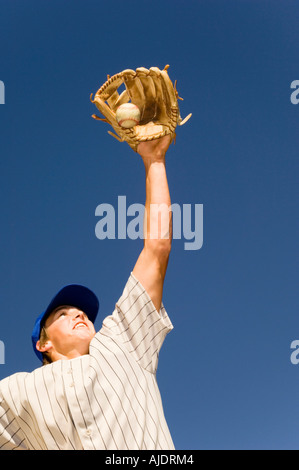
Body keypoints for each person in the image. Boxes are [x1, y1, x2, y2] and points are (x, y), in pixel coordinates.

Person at [0, 135, 175, 450]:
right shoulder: (18, 392)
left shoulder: (122, 343)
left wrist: (155, 160)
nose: (78, 313)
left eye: (80, 311)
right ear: (44, 343)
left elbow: (156, 250)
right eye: (62, 314)